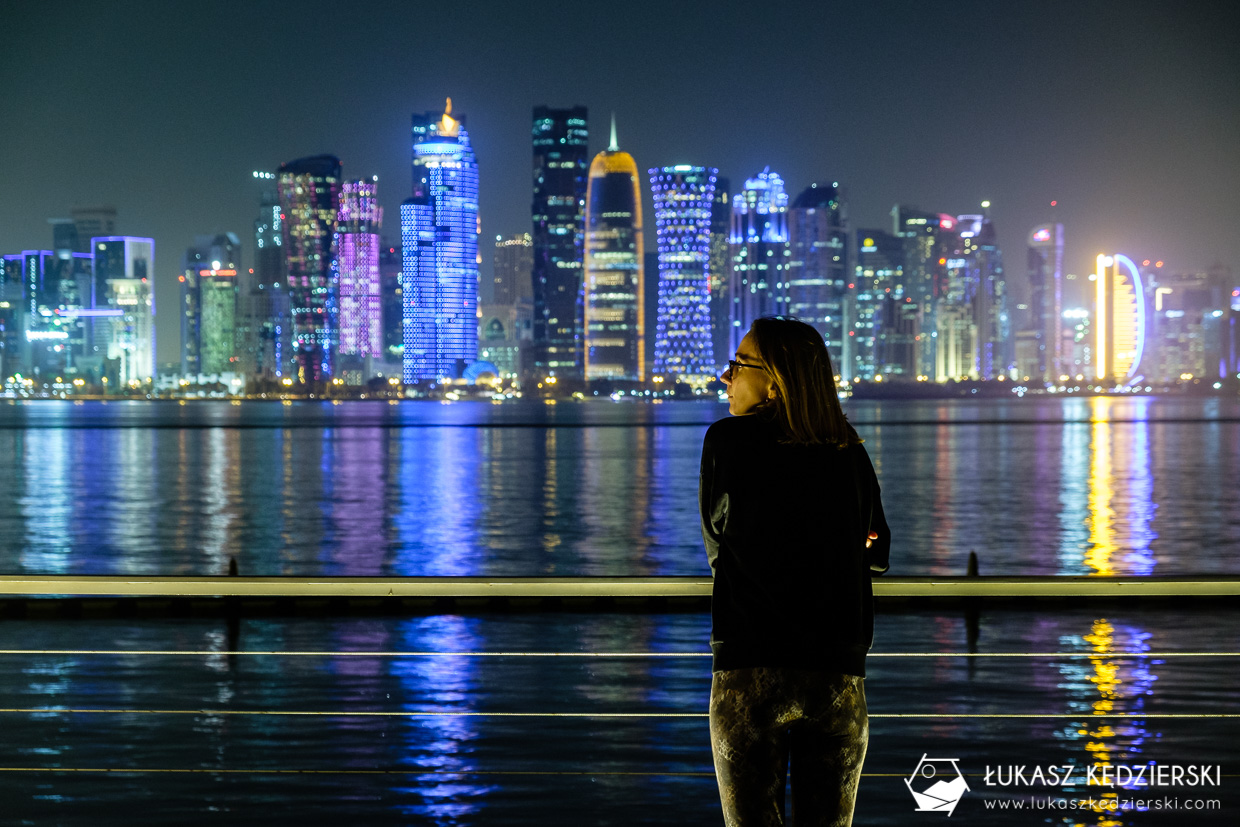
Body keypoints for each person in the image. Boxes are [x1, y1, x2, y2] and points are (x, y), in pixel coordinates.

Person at [700, 316, 891, 826]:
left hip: (750, 663)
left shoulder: (727, 440)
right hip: (837, 668)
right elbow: (875, 548)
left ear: (775, 379)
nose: (727, 377)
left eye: (739, 364)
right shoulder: (846, 447)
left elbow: (717, 546)